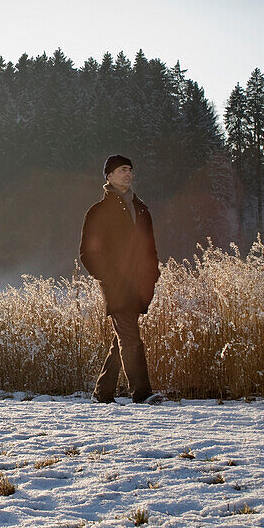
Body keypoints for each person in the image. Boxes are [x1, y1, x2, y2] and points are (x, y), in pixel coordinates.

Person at [79, 154, 164, 404]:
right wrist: (110, 278)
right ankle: (142, 393)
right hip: (116, 286)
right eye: (121, 170)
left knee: (123, 338)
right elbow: (87, 253)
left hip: (140, 284)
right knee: (130, 338)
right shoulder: (98, 211)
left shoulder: (142, 209)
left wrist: (153, 275)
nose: (127, 173)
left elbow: (150, 249)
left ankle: (102, 392)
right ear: (108, 176)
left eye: (129, 169)